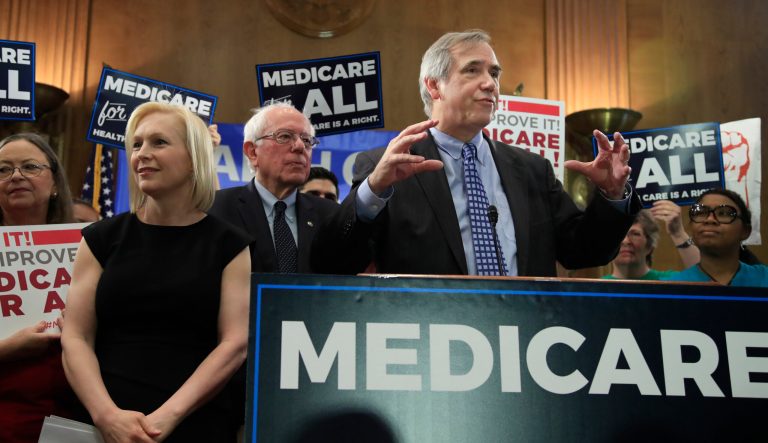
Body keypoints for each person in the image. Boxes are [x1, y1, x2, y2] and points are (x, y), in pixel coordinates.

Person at [313, 29, 641, 276]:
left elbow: (582, 252)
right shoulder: (385, 166)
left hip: (526, 339)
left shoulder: (531, 169)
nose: (490, 84)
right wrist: (374, 191)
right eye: (473, 70)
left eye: (494, 73)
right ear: (434, 85)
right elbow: (337, 261)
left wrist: (612, 196)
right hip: (429, 345)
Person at [62, 102, 252, 442]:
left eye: (159, 142)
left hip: (193, 424)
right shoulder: (100, 238)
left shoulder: (230, 244)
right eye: (137, 144)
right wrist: (107, 416)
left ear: (194, 158)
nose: (142, 154)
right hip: (98, 423)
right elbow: (76, 337)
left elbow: (234, 344)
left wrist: (167, 417)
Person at [0, 132, 78, 442]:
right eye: (3, 169)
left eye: (30, 166)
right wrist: (8, 349)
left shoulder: (92, 249)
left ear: (56, 183)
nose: (16, 176)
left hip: (70, 416)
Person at [208, 102, 341, 273]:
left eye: (307, 140)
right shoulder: (217, 209)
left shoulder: (330, 215)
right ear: (252, 152)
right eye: (285, 136)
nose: (300, 146)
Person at [663, 189, 768, 286]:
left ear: (745, 231)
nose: (709, 219)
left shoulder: (764, 279)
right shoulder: (671, 287)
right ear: (691, 227)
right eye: (701, 212)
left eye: (723, 213)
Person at [602, 201, 700, 280]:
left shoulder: (669, 282)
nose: (626, 241)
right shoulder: (597, 288)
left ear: (650, 246)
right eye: (619, 235)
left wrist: (678, 234)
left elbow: (705, 277)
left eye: (635, 234)